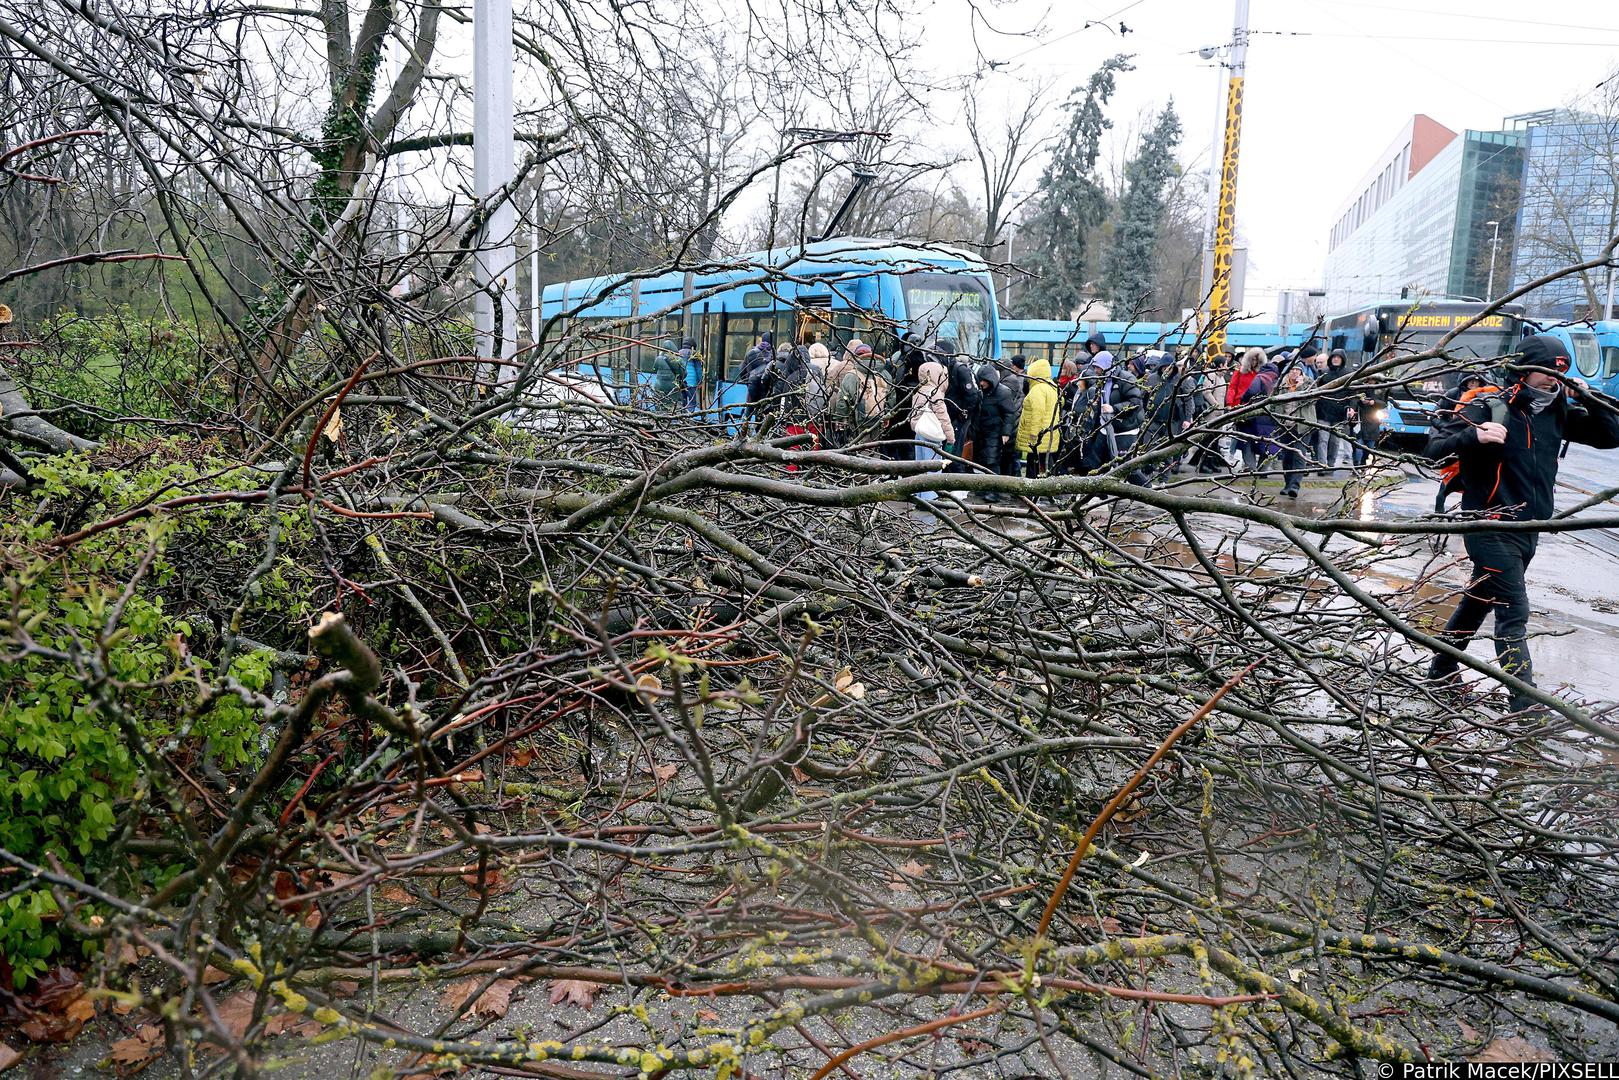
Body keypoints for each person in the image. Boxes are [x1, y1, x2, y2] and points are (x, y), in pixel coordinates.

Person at [1423, 334, 1619, 713]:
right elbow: (1432, 449)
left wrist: (1591, 401)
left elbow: (1612, 436)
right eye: (1546, 373)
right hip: (1487, 525)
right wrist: (1473, 435)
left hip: (1529, 528)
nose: (1554, 381)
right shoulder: (1489, 405)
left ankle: (1441, 670)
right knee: (1513, 613)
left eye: (1560, 374)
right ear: (1523, 371)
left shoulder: (1557, 410)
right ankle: (1525, 705)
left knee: (1478, 600)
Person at [830, 340, 892, 448]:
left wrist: (840, 419)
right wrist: (888, 415)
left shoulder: (851, 376)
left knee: (858, 447)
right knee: (875, 446)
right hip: (878, 418)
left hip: (857, 421)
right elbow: (891, 397)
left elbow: (843, 401)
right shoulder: (884, 374)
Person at [909, 354, 955, 501]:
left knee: (920, 466)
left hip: (919, 433)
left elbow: (913, 415)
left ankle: (919, 496)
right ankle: (929, 500)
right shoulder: (935, 394)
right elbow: (943, 417)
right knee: (933, 469)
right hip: (932, 435)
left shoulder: (918, 391)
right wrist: (951, 437)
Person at [973, 363, 1018, 499]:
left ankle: (994, 492)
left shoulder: (1003, 392)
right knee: (981, 461)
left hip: (995, 432)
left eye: (984, 380)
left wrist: (1006, 433)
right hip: (981, 431)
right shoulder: (982, 392)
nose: (981, 383)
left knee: (992, 461)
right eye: (980, 380)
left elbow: (1009, 414)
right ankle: (984, 488)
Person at [1271, 364, 1315, 498]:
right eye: (1292, 369)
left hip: (1302, 426)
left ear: (1302, 372)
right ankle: (1287, 484)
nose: (1294, 372)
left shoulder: (1309, 383)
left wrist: (1301, 387)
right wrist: (1275, 418)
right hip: (1285, 425)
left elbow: (1312, 400)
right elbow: (1273, 402)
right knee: (1287, 456)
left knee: (1299, 455)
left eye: (1297, 370)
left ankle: (1295, 486)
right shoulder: (1281, 384)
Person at [1236, 348, 1280, 474]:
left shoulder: (1260, 377)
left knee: (1247, 441)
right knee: (1269, 444)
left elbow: (1250, 392)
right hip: (1272, 417)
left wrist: (1243, 401)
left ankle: (1251, 467)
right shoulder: (1278, 380)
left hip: (1255, 416)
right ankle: (1263, 470)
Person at [1016, 357, 1060, 479]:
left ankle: (1031, 493)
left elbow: (1038, 412)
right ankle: (1048, 492)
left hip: (1038, 438)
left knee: (1033, 466)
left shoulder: (1037, 390)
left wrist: (1033, 435)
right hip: (1049, 435)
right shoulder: (1052, 387)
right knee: (1046, 464)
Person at [940, 338, 981, 470]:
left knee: (954, 454)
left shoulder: (959, 369)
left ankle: (956, 485)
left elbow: (972, 396)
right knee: (946, 451)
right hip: (948, 416)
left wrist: (962, 414)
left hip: (958, 418)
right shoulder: (946, 368)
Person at [1313, 349, 1356, 470]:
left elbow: (1353, 392)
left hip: (1340, 413)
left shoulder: (1349, 373)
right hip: (1323, 412)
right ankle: (1322, 465)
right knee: (1323, 440)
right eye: (1334, 357)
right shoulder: (1323, 373)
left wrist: (1351, 408)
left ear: (1343, 359)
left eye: (1338, 357)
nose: (1336, 359)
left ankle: (1331, 464)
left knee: (1335, 441)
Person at [652, 338, 684, 412]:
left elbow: (654, 369)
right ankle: (671, 418)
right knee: (672, 404)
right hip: (672, 385)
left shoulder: (658, 358)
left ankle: (660, 418)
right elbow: (683, 373)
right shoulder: (677, 359)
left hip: (659, 385)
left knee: (660, 403)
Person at [680, 338, 702, 413]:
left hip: (681, 380)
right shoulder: (694, 354)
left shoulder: (678, 353)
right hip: (691, 382)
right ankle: (689, 417)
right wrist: (700, 381)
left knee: (683, 400)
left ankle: (682, 416)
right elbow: (698, 369)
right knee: (692, 401)